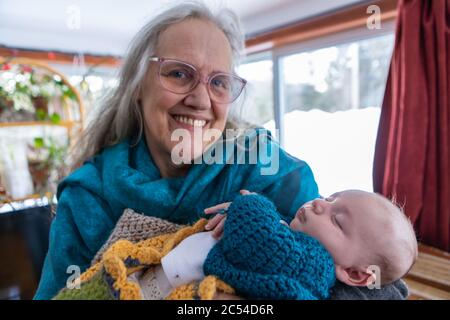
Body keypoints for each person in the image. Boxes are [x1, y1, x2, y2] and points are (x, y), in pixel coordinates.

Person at [34, 2, 408, 300]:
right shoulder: (87, 197)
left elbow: (368, 281)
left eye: (219, 82)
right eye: (179, 73)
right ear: (137, 85)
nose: (200, 99)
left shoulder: (271, 171)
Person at [121, 189, 417, 299]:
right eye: (329, 198)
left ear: (354, 275)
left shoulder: (313, 266)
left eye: (337, 220)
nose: (318, 205)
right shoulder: (300, 243)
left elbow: (259, 241)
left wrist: (250, 205)